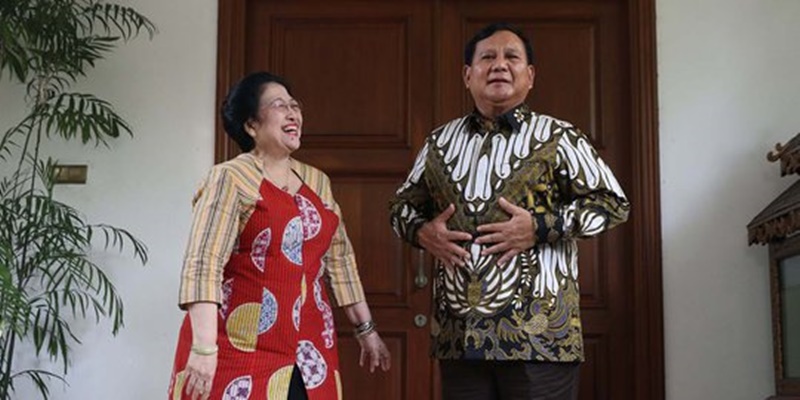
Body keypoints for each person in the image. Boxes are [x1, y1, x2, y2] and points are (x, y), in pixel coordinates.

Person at [389, 23, 630, 400]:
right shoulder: (439, 142)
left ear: (529, 76)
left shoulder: (559, 136)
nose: (499, 64)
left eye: (511, 57)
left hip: (540, 337)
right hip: (459, 338)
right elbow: (400, 207)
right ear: (467, 75)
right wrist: (422, 233)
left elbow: (612, 203)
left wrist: (539, 227)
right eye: (487, 57)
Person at [168, 71, 390, 400]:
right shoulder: (230, 178)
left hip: (309, 350)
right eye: (278, 105)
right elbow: (204, 263)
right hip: (237, 346)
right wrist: (203, 348)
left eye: (294, 105)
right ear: (251, 125)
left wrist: (366, 329)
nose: (292, 113)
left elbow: (340, 260)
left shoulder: (317, 182)